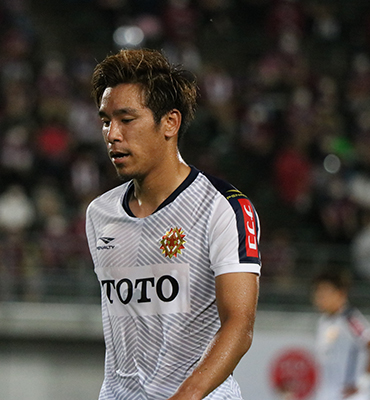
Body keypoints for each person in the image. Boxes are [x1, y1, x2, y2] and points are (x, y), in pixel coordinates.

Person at [85, 48, 261, 400]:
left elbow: (239, 326)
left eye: (126, 119)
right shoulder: (99, 214)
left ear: (170, 122)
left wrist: (185, 397)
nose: (112, 134)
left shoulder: (224, 207)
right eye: (106, 121)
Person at [311, 269, 370, 400]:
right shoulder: (324, 321)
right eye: (318, 293)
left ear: (340, 294)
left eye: (325, 293)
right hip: (329, 393)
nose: (320, 298)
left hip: (347, 396)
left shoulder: (350, 319)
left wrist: (362, 383)